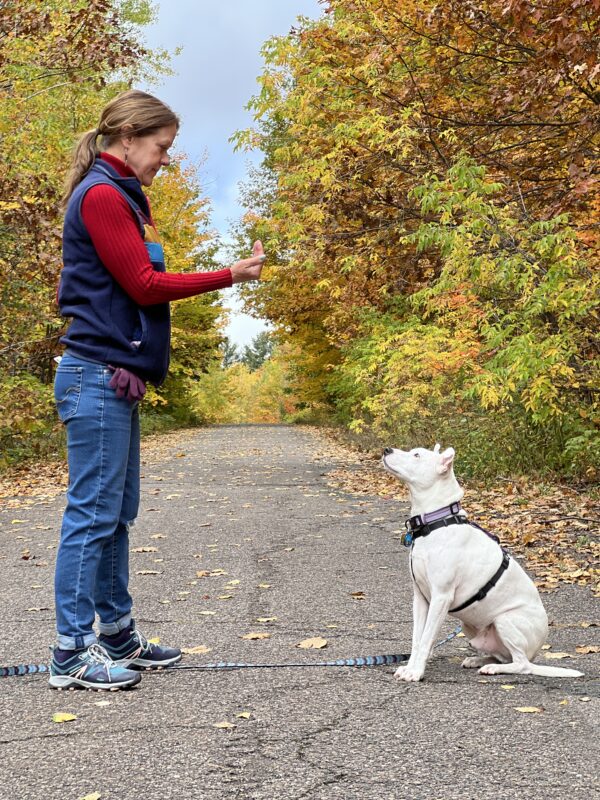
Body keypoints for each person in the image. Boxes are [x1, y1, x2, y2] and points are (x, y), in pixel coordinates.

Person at [50, 89, 265, 691]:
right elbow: (144, 285)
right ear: (128, 138)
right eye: (161, 147)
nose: (165, 159)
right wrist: (230, 274)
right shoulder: (101, 196)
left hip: (113, 378)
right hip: (94, 375)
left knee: (116, 514)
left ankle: (116, 633)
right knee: (92, 514)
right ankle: (70, 652)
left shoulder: (120, 196)